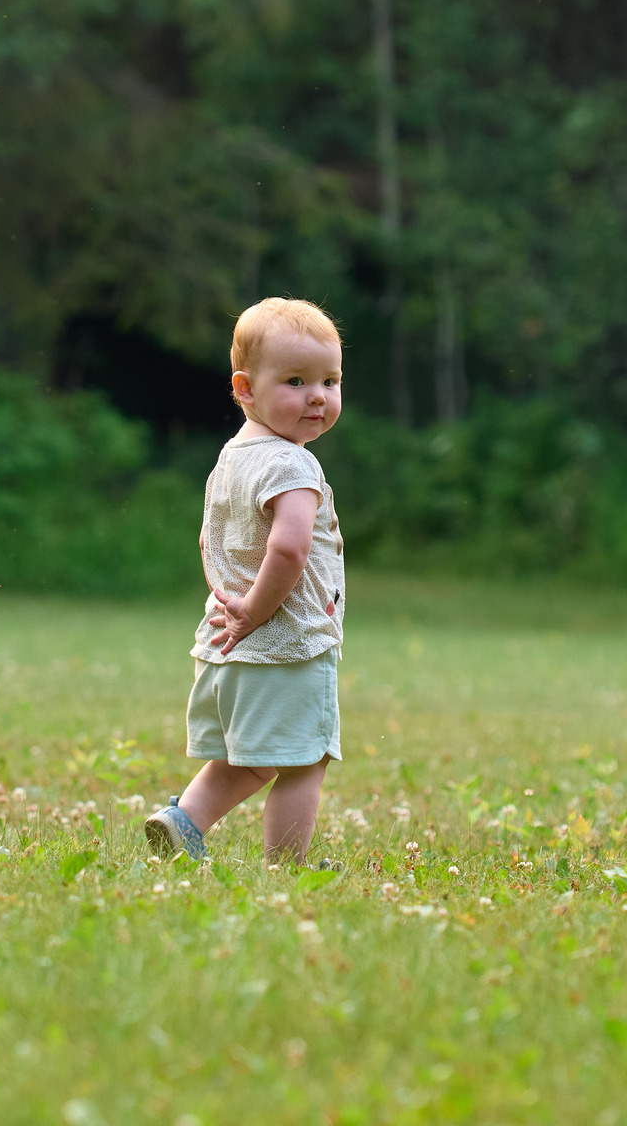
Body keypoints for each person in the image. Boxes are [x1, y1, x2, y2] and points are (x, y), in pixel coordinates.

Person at [144, 297, 346, 866]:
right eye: (296, 380)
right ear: (246, 388)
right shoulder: (293, 465)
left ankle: (183, 821)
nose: (317, 395)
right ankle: (287, 868)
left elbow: (209, 540)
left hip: (225, 647)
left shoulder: (232, 459)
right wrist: (257, 610)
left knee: (248, 759)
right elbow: (289, 546)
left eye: (330, 380)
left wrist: (237, 613)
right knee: (305, 760)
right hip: (286, 644)